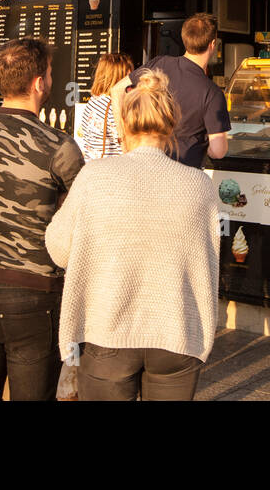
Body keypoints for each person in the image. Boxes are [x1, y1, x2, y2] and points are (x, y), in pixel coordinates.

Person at [45, 69, 219, 400]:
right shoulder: (200, 186)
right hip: (178, 334)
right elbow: (208, 262)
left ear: (123, 123)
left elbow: (59, 249)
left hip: (107, 330)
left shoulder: (94, 177)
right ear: (171, 124)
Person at [0, 39, 84, 400]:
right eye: (49, 73)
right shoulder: (58, 146)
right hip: (34, 298)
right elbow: (82, 214)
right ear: (39, 83)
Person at [114, 12, 230, 168]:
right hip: (184, 174)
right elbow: (218, 151)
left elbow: (117, 90)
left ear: (185, 39)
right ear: (213, 44)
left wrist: (123, 138)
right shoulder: (212, 93)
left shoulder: (159, 63)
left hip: (147, 167)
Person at [77, 53, 133, 161]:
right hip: (112, 171)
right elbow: (126, 147)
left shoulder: (93, 102)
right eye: (128, 77)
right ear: (119, 79)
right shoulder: (114, 107)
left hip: (92, 168)